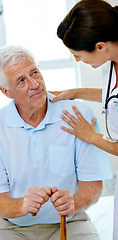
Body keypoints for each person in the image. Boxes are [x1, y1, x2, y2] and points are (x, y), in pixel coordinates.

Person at [0, 45, 112, 240]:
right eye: (21, 81)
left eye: (35, 73)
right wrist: (22, 204)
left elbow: (93, 186)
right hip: (13, 229)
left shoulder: (78, 115)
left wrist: (74, 202)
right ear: (6, 91)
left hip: (71, 223)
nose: (34, 84)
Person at [49, 0, 118, 239]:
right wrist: (76, 92)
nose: (78, 60)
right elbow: (113, 96)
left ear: (99, 46)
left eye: (78, 55)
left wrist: (90, 136)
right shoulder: (110, 64)